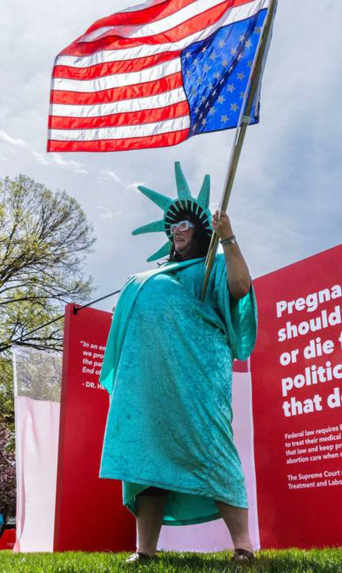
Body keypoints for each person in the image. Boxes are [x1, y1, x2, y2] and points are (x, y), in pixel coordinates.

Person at [98, 164, 258, 565]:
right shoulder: (157, 275)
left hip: (199, 377)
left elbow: (241, 288)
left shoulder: (215, 266)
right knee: (149, 457)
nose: (177, 229)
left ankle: (244, 548)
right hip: (152, 380)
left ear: (200, 229)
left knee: (213, 451)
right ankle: (145, 552)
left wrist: (229, 239)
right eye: (173, 225)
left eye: (185, 222)